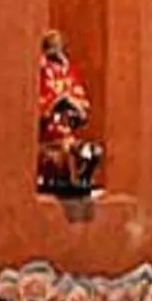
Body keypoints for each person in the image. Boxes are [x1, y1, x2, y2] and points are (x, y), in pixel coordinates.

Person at [36, 30, 103, 195]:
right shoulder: (40, 73)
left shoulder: (68, 74)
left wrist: (77, 112)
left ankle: (81, 182)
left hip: (68, 138)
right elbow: (41, 109)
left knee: (93, 152)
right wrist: (59, 103)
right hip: (48, 140)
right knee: (63, 154)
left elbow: (82, 107)